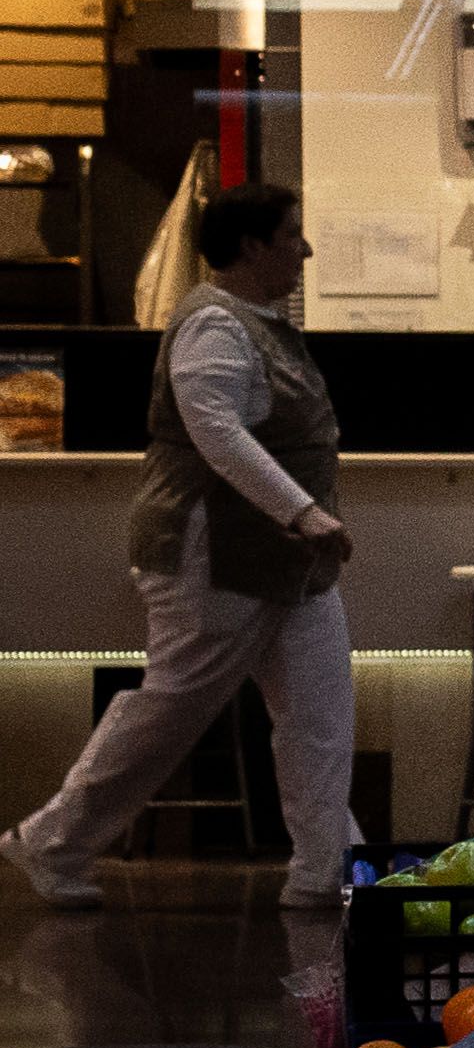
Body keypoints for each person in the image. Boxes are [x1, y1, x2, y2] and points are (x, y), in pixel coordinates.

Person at [2, 182, 358, 911]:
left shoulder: (256, 322)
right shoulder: (213, 327)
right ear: (254, 246)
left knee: (320, 714)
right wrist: (303, 512)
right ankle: (50, 841)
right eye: (294, 234)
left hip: (285, 562)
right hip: (211, 553)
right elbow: (215, 430)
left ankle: (326, 871)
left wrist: (300, 527)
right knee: (170, 711)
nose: (307, 249)